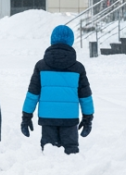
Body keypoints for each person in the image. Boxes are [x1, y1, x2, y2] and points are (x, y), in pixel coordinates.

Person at [20, 25, 94, 154]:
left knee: (50, 152)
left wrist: (26, 116)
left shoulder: (41, 66)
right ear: (71, 41)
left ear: (52, 40)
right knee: (71, 153)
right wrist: (88, 118)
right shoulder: (78, 68)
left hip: (48, 117)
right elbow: (85, 97)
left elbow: (32, 94)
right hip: (69, 118)